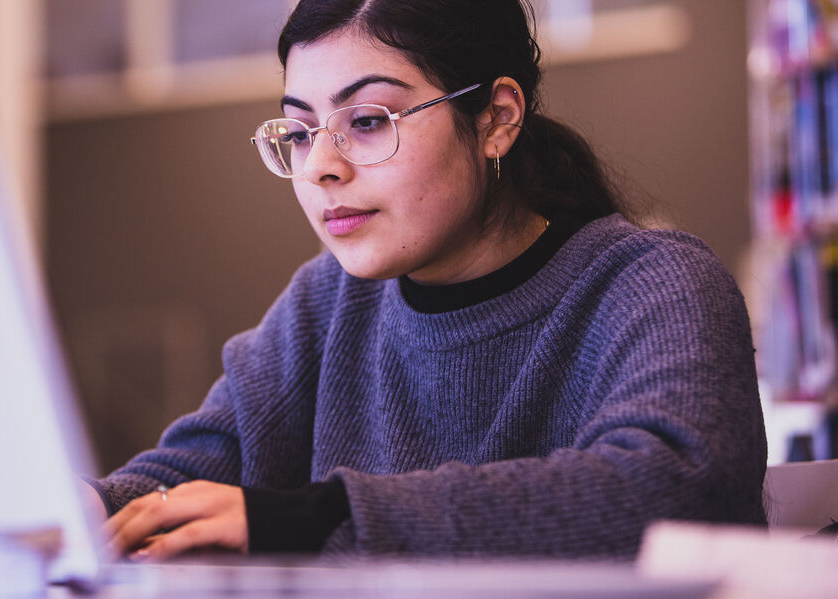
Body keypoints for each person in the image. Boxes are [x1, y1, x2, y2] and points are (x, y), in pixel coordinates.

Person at [84, 0, 768, 561]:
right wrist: (85, 509)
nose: (321, 165)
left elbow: (677, 490)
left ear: (498, 118)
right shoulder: (327, 303)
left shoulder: (654, 283)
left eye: (369, 121)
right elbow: (189, 474)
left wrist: (322, 518)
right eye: (299, 132)